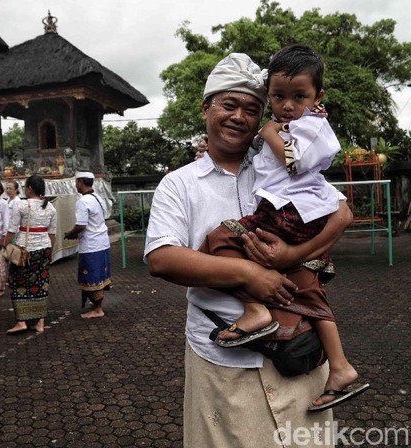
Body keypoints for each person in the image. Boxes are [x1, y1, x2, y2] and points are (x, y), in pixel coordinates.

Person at [144, 53, 353, 448]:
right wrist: (250, 275)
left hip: (299, 352)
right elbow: (161, 258)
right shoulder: (180, 184)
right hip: (221, 360)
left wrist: (291, 258)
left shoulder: (278, 164)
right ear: (206, 107)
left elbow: (341, 214)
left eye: (251, 109)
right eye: (228, 104)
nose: (239, 116)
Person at [198, 45, 366, 411]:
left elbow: (291, 164)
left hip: (290, 213)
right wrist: (207, 151)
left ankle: (255, 309)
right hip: (298, 213)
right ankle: (340, 367)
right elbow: (261, 162)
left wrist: (270, 130)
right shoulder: (297, 124)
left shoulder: (311, 128)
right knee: (307, 290)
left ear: (318, 97)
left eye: (298, 97)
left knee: (220, 238)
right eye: (278, 97)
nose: (287, 106)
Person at [5, 175, 57, 334]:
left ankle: (21, 321)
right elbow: (52, 234)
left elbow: (12, 230)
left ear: (29, 189)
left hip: (24, 250)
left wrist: (5, 246)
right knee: (41, 283)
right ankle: (40, 322)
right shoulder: (51, 207)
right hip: (44, 248)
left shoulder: (21, 205)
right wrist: (50, 253)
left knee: (18, 283)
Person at [64, 171, 111, 318]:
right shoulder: (98, 197)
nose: (75, 185)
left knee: (91, 276)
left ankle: (98, 309)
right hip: (102, 242)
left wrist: (69, 234)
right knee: (99, 275)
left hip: (91, 245)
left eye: (76, 182)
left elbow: (81, 225)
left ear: (80, 182)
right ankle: (96, 305)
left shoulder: (83, 201)